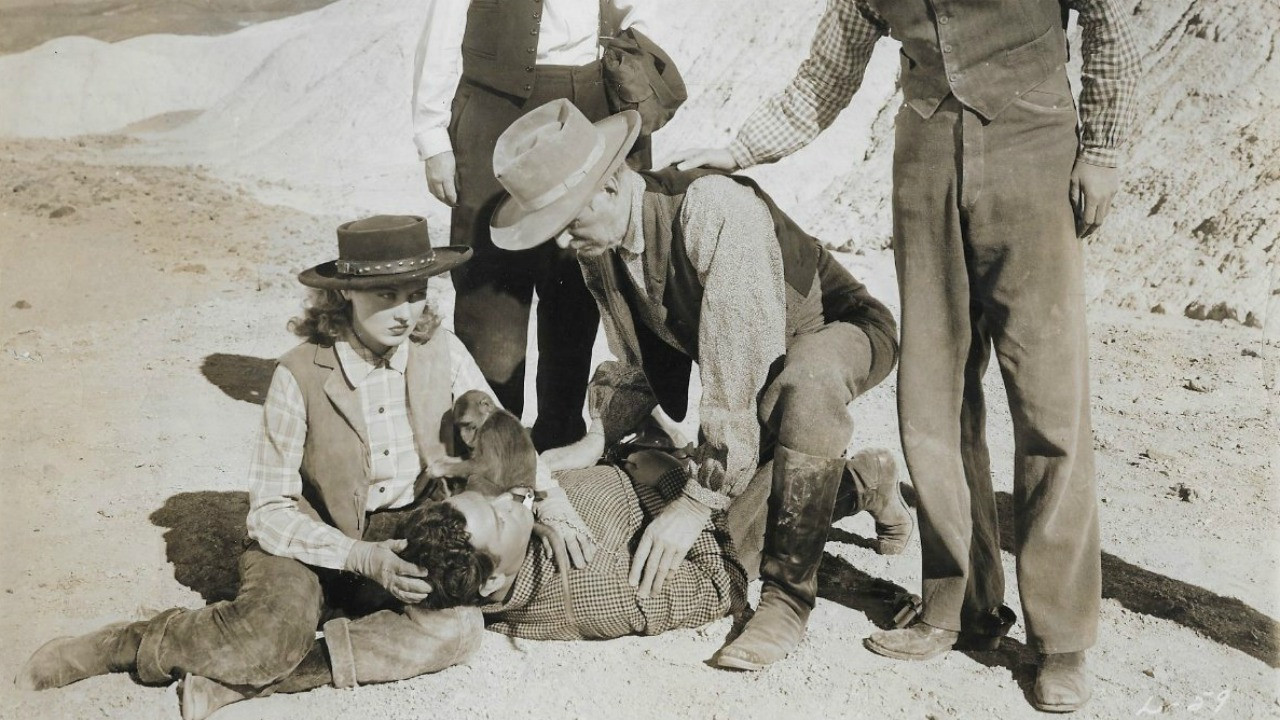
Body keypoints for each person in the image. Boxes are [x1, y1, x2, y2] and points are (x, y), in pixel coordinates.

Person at [671, 0, 1140, 712]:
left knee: (1049, 405)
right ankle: (958, 606)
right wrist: (740, 151)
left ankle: (1062, 640)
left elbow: (1109, 27)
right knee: (934, 401)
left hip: (1034, 148)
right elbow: (827, 72)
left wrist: (1101, 151)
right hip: (923, 162)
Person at [15, 215, 586, 702]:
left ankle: (251, 686)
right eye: (386, 294)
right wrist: (360, 558)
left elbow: (504, 440)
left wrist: (549, 503)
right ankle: (131, 643)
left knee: (457, 629)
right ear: (344, 295)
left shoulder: (441, 349)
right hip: (312, 538)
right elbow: (267, 512)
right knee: (265, 640)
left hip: (407, 527)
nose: (404, 311)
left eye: (415, 293)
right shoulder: (297, 374)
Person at [486, 98, 910, 673]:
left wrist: (694, 502)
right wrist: (597, 434)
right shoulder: (599, 246)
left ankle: (787, 599)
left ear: (610, 187)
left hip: (837, 331)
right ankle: (864, 480)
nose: (560, 243)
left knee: (795, 405)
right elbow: (636, 365)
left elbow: (742, 379)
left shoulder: (713, 211)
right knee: (734, 523)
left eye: (566, 222)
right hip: (758, 369)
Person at [172, 451, 749, 719]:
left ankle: (249, 675)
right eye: (498, 512)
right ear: (495, 574)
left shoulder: (518, 532)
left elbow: (631, 456)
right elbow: (719, 580)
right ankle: (259, 653)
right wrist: (670, 488)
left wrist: (543, 506)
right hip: (715, 503)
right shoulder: (595, 592)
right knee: (452, 628)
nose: (511, 497)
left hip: (703, 484)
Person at [412, 0, 660, 451]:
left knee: (575, 282)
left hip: (584, 101)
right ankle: (487, 449)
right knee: (490, 286)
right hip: (492, 109)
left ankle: (558, 436)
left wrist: (628, 68)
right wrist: (432, 138)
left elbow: (639, 9)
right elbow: (444, 19)